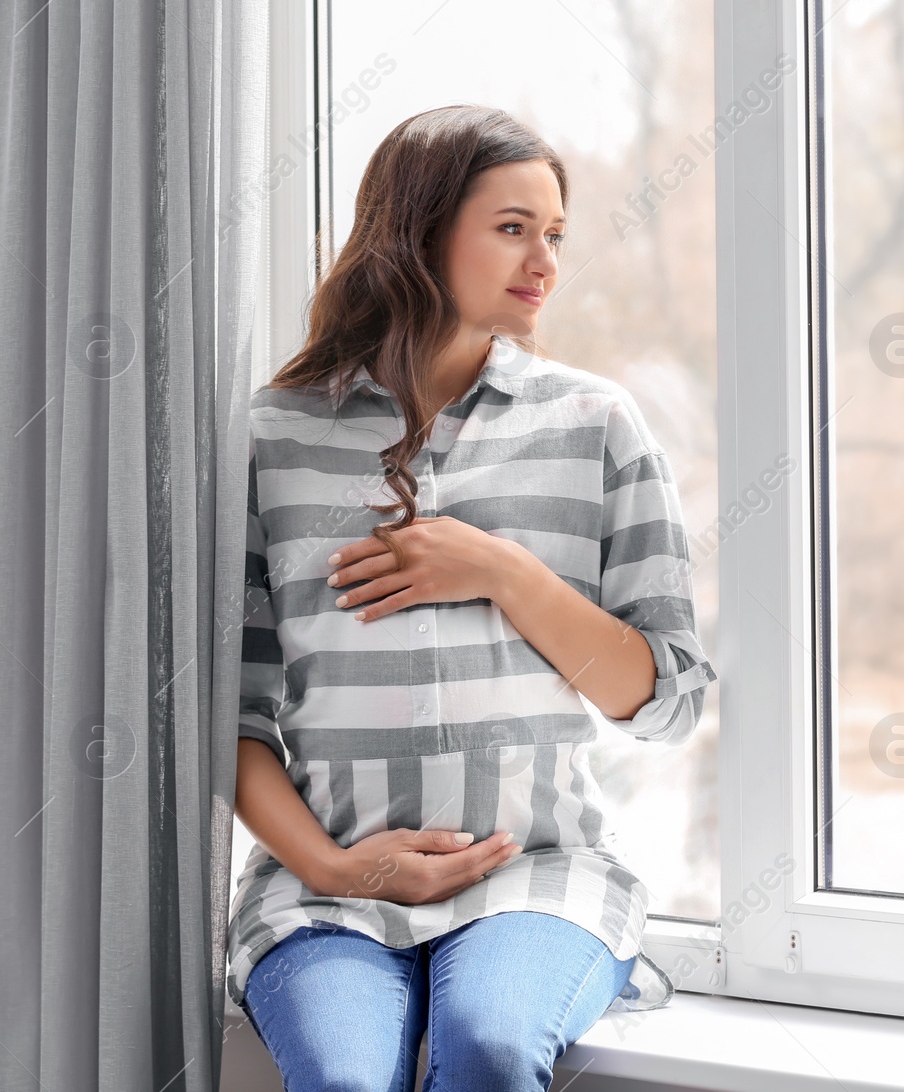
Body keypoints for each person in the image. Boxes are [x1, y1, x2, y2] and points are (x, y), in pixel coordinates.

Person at [226, 104, 717, 1091]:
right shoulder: (273, 438)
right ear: (415, 234)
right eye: (511, 228)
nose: (544, 260)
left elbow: (667, 700)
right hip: (327, 890)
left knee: (490, 1047)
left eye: (555, 234)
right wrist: (334, 868)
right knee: (341, 1076)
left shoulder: (596, 425)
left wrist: (504, 572)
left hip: (536, 878)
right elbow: (230, 716)